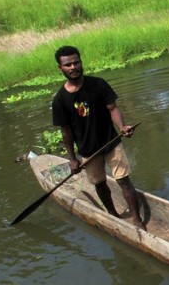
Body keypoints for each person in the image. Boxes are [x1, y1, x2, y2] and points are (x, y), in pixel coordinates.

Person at [51, 45, 145, 230]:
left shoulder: (98, 84)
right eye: (68, 64)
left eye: (76, 62)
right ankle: (113, 215)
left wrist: (122, 126)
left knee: (124, 181)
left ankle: (137, 220)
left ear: (81, 62)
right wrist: (72, 159)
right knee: (100, 184)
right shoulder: (60, 99)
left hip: (111, 142)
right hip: (87, 150)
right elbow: (66, 132)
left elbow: (112, 108)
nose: (73, 67)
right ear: (60, 68)